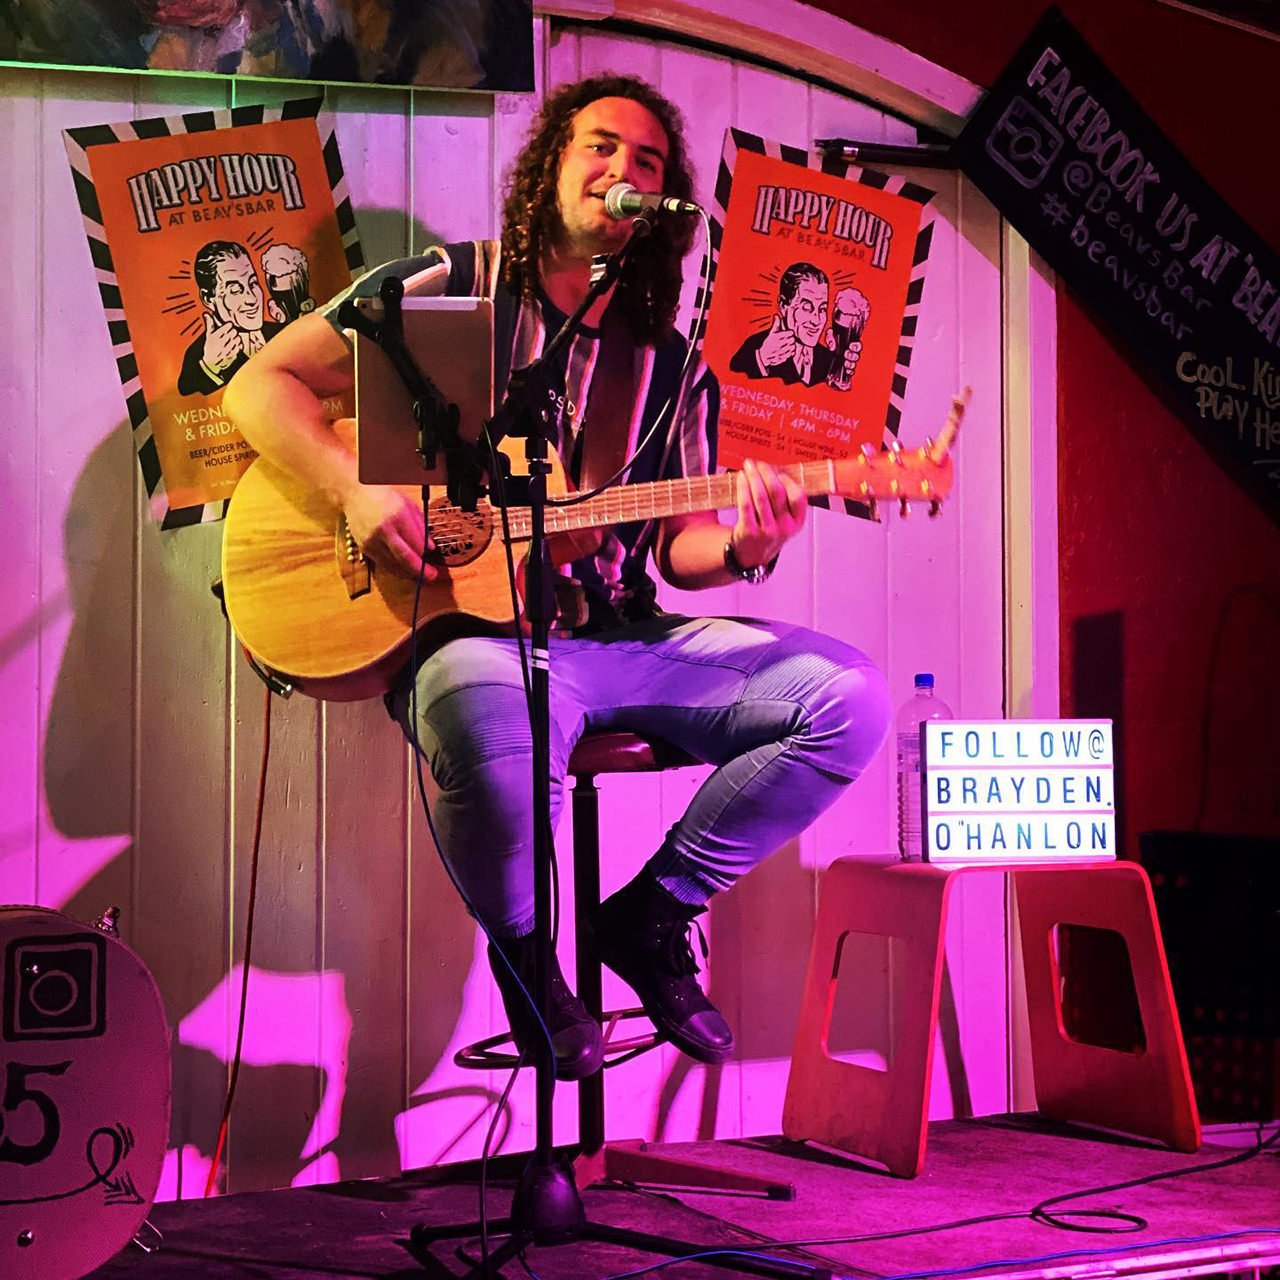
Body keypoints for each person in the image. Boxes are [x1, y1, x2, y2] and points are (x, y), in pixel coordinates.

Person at [223, 75, 893, 1081]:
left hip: (621, 635)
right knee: (483, 707)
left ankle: (654, 914)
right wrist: (355, 495)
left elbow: (677, 548)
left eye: (648, 161)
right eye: (599, 146)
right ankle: (531, 961)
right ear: (550, 167)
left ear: (661, 209)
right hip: (474, 636)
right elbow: (256, 383)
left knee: (846, 701)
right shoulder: (452, 292)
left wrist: (752, 545)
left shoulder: (665, 366)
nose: (623, 168)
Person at [178, 241, 283, 396]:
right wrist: (210, 367)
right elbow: (185, 395)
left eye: (253, 283)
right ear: (208, 298)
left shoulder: (282, 332)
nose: (251, 298)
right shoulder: (197, 356)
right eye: (235, 290)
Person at [730, 261, 853, 388]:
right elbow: (726, 382)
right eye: (806, 307)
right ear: (783, 305)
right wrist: (762, 359)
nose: (816, 321)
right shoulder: (756, 347)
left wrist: (840, 360)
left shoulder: (827, 359)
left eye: (822, 309)